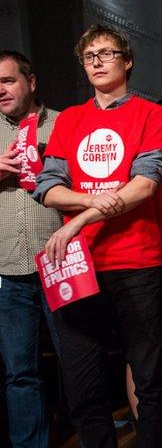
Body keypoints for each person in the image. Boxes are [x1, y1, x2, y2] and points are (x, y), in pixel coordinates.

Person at [33, 24, 162, 446]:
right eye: (88, 56)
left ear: (127, 61)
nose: (96, 62)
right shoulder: (71, 119)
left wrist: (77, 217)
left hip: (138, 262)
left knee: (148, 380)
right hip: (78, 266)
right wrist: (94, 200)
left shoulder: (151, 115)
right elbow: (47, 187)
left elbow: (146, 184)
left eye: (106, 53)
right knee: (82, 382)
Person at [0, 50, 62, 447]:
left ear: (31, 81)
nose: (0, 90)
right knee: (19, 371)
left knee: (77, 361)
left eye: (7, 81)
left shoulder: (64, 124)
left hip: (60, 262)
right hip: (7, 268)